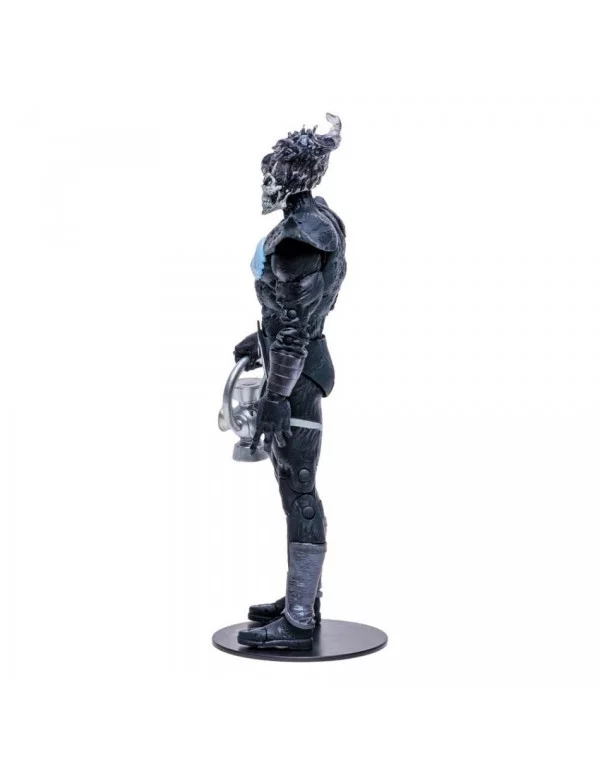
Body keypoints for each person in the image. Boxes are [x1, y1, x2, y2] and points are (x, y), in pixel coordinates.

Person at [234, 114, 346, 649]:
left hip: (296, 377)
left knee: (298, 485)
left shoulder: (298, 240)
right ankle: (302, 598)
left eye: (273, 173)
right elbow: (297, 312)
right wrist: (258, 339)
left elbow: (296, 329)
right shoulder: (319, 219)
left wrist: (276, 396)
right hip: (296, 363)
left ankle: (300, 619)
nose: (267, 182)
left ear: (294, 175)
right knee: (290, 482)